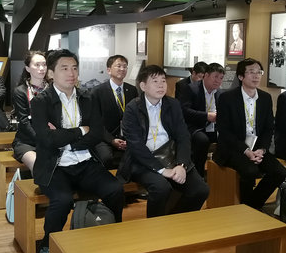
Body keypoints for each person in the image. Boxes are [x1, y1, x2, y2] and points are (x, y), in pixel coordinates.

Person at [31, 49, 124, 253]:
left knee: (115, 189)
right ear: (51, 73)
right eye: (64, 68)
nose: (71, 73)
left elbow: (97, 133)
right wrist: (81, 130)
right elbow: (46, 139)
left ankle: (112, 234)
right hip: (54, 166)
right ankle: (46, 247)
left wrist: (65, 138)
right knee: (62, 201)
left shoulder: (88, 97)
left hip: (85, 161)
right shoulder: (41, 101)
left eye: (74, 68)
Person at [120, 65, 209, 218]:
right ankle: (155, 226)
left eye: (163, 81)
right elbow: (136, 146)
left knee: (201, 190)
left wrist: (182, 165)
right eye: (155, 81)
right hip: (143, 161)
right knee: (161, 187)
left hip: (170, 156)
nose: (161, 85)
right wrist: (162, 170)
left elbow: (183, 136)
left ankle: (175, 222)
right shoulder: (133, 108)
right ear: (143, 86)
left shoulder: (173, 104)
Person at [214, 58, 286, 210]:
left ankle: (251, 206)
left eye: (259, 72)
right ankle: (249, 209)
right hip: (233, 148)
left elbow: (268, 128)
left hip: (257, 148)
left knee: (280, 172)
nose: (256, 76)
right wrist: (246, 150)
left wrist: (262, 149)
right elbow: (224, 130)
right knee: (250, 170)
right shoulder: (227, 98)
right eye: (251, 72)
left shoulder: (265, 98)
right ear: (241, 76)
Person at [91, 55, 139, 169]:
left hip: (127, 136)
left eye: (125, 66)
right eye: (118, 66)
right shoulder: (97, 92)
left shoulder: (132, 90)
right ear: (109, 70)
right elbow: (94, 122)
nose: (122, 69)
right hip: (105, 136)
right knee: (106, 158)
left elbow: (136, 117)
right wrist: (111, 140)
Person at [179, 62, 225, 177]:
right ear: (206, 75)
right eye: (215, 77)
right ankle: (198, 174)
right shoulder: (191, 89)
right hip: (195, 126)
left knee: (228, 139)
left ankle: (219, 174)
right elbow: (184, 111)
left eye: (221, 78)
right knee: (202, 141)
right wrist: (207, 116)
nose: (218, 81)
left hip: (214, 127)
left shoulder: (220, 93)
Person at [11, 50, 48, 173]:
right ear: (27, 68)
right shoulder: (20, 91)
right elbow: (24, 121)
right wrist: (43, 140)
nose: (42, 68)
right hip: (27, 141)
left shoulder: (53, 88)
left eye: (44, 64)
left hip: (52, 139)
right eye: (37, 65)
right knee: (39, 165)